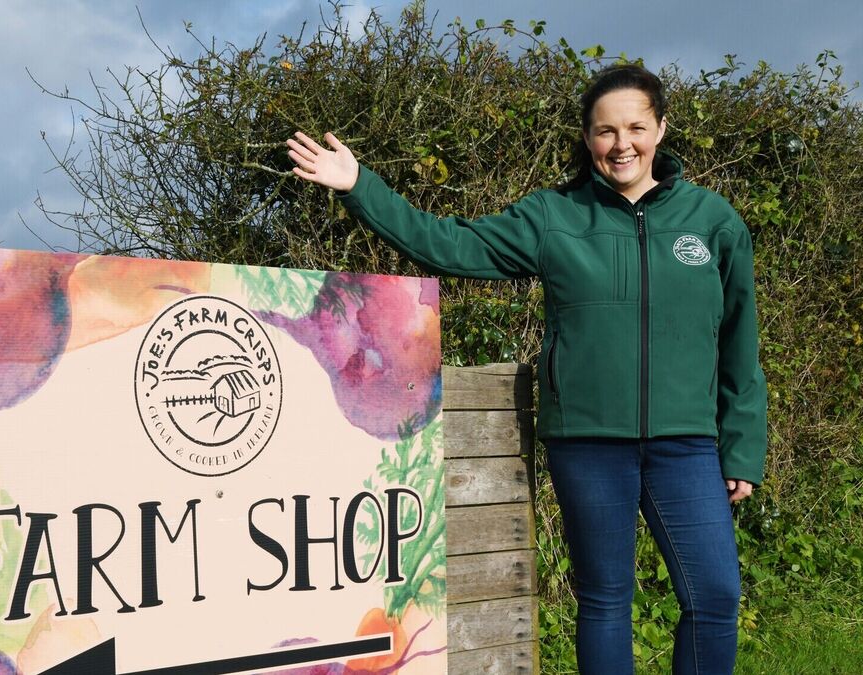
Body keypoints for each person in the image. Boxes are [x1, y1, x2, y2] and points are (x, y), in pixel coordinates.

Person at [286, 63, 767, 675]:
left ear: (661, 129)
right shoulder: (553, 217)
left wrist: (742, 446)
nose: (622, 144)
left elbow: (738, 342)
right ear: (588, 137)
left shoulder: (713, 222)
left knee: (715, 597)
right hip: (588, 444)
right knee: (605, 601)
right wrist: (360, 186)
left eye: (636, 128)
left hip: (688, 444)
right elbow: (448, 244)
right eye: (605, 131)